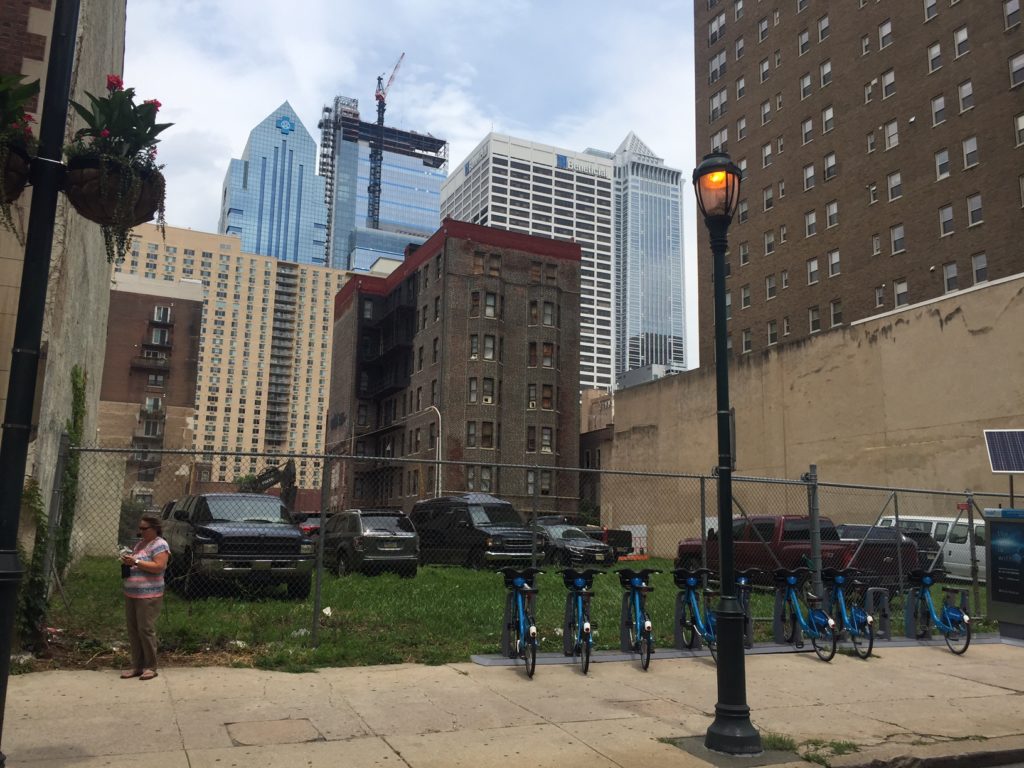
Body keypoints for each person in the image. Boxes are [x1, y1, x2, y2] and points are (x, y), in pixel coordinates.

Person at [119, 513, 170, 680]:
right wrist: (129, 562)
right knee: (133, 630)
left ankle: (150, 666)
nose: (140, 531)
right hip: (132, 593)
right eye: (139, 528)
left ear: (154, 529)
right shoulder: (141, 544)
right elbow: (138, 563)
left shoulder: (160, 545)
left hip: (148, 594)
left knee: (145, 629)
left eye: (144, 528)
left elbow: (159, 566)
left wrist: (135, 562)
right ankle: (137, 665)